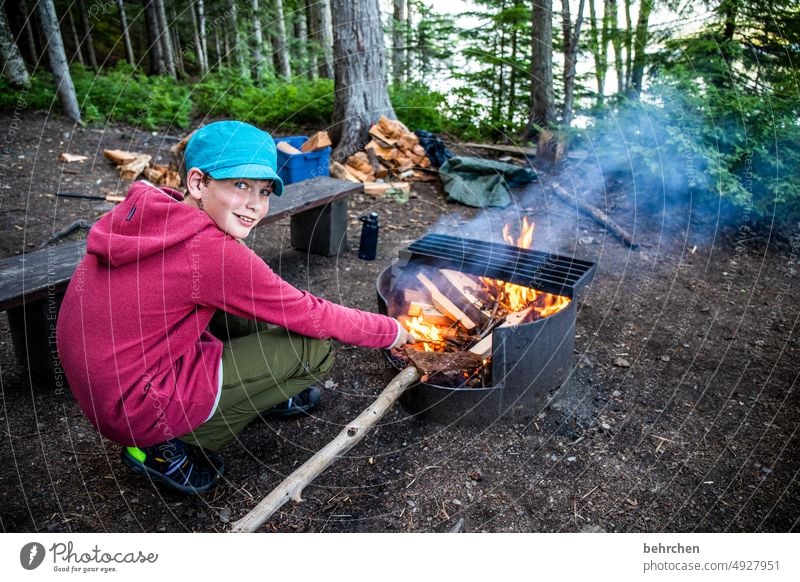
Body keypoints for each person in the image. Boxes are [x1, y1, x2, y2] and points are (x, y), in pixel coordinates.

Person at [56, 121, 415, 495]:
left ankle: (256, 390)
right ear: (198, 183)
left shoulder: (153, 209)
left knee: (246, 308)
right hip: (136, 408)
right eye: (239, 185)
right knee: (315, 350)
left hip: (106, 386)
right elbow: (312, 314)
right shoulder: (211, 253)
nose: (255, 204)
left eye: (263, 190)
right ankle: (165, 448)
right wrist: (392, 331)